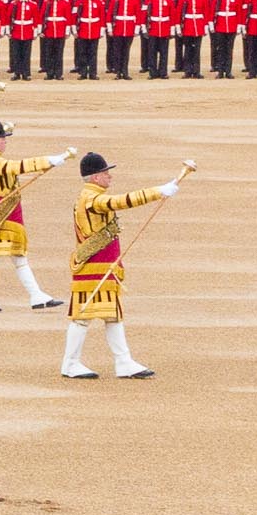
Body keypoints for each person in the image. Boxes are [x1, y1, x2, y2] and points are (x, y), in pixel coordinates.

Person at [61, 152, 185, 380]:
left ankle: (123, 361)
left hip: (102, 265)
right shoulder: (91, 198)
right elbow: (121, 201)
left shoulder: (91, 195)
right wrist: (158, 191)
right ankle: (70, 363)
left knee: (112, 315)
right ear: (95, 177)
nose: (110, 176)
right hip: (93, 267)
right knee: (83, 315)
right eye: (106, 172)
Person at [0, 121, 67, 313]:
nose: (6, 143)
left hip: (9, 213)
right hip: (1, 217)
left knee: (19, 258)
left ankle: (36, 295)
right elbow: (17, 167)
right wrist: (48, 160)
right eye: (3, 140)